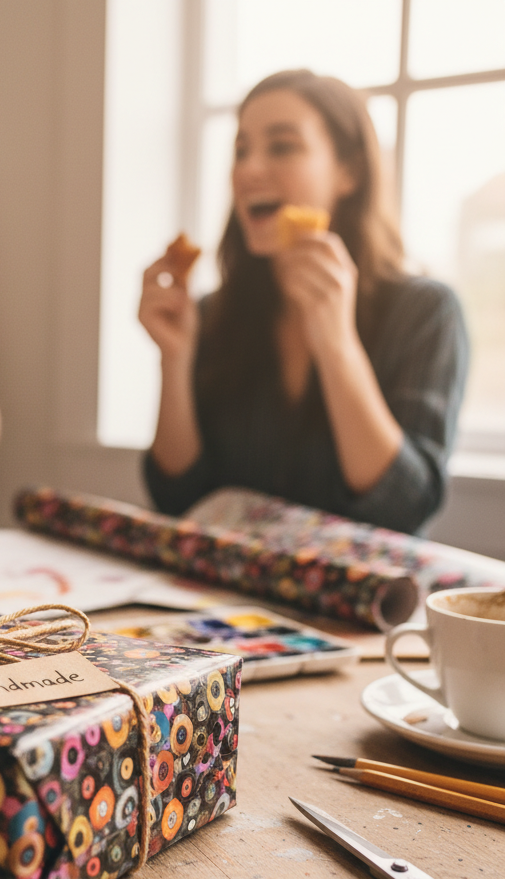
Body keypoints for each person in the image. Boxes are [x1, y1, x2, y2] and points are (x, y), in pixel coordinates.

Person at [138, 69, 467, 535]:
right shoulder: (213, 315)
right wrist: (175, 358)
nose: (248, 170)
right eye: (240, 151)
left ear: (349, 171)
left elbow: (404, 508)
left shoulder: (427, 313)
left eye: (282, 146)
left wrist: (337, 345)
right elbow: (179, 500)